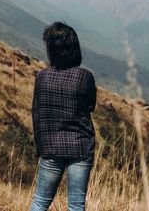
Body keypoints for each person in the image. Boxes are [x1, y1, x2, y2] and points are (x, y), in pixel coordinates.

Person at [30, 22, 97, 211]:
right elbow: (91, 106)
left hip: (50, 147)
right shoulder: (84, 76)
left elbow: (37, 111)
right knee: (76, 206)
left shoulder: (42, 77)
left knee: (40, 201)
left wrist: (41, 146)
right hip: (80, 146)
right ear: (74, 48)